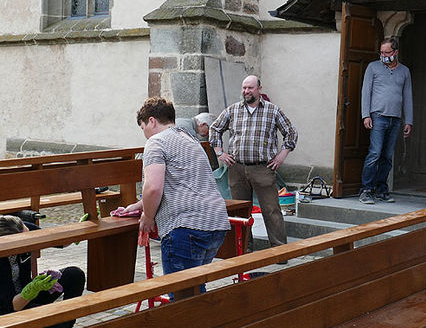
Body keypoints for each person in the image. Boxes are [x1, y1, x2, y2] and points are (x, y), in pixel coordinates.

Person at [118, 97, 229, 300]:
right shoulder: (189, 139)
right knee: (194, 287)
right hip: (215, 224)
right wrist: (138, 205)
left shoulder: (156, 142)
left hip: (186, 227)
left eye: (143, 127)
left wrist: (148, 217)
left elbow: (153, 188)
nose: (144, 133)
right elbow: (179, 183)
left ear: (151, 121)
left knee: (181, 296)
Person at [209, 76, 298, 248]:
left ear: (259, 89)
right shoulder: (233, 110)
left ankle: (279, 250)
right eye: (244, 88)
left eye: (250, 88)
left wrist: (282, 156)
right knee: (240, 212)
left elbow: (291, 133)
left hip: (263, 169)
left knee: (271, 210)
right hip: (237, 168)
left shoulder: (273, 111)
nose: (246, 91)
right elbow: (214, 128)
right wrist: (219, 152)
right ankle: (244, 249)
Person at [0, 215, 85, 328]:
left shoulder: (22, 229)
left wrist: (79, 230)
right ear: (10, 243)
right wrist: (33, 288)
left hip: (26, 295)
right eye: (26, 240)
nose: (30, 241)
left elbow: (57, 240)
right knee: (59, 324)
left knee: (74, 274)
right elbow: (14, 306)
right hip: (4, 310)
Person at [359, 37, 413, 204]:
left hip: (395, 119)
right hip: (378, 116)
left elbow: (408, 96)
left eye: (387, 52)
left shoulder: (404, 71)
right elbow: (365, 92)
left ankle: (382, 189)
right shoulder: (373, 67)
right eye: (381, 52)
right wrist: (365, 115)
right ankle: (366, 190)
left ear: (395, 52)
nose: (383, 55)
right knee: (375, 153)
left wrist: (409, 120)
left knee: (387, 156)